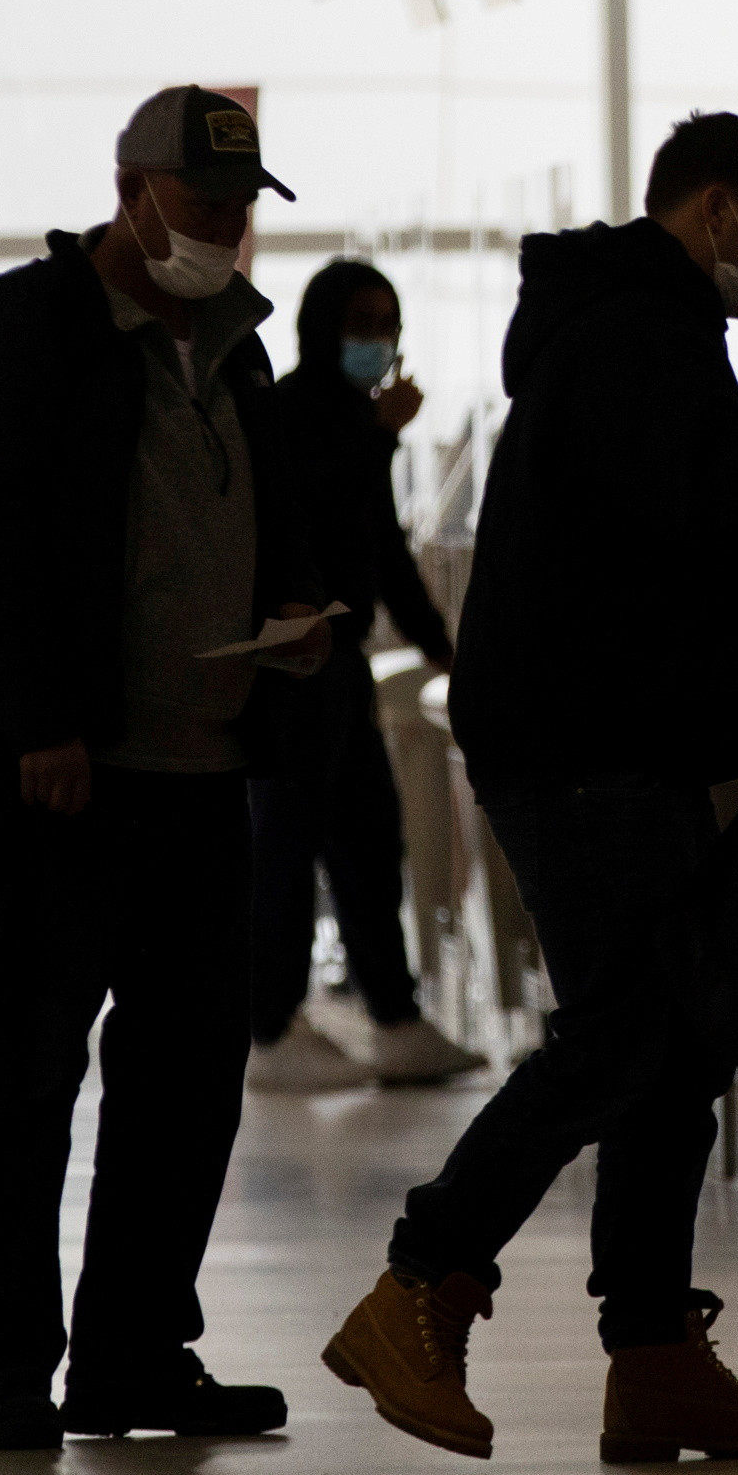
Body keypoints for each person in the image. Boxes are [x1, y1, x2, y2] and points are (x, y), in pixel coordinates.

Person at [321, 111, 738, 1465]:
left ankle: (658, 1349)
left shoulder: (636, 324)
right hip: (587, 754)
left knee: (680, 1040)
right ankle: (421, 1280)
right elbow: (718, 490)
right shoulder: (633, 333)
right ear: (714, 206)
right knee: (626, 1034)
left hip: (621, 747)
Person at [0, 85, 338, 1455]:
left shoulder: (235, 350)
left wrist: (292, 622)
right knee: (34, 1072)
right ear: (130, 188)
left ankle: (137, 1353)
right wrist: (37, 720)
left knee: (188, 1079)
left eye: (243, 206)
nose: (226, 228)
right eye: (204, 203)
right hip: (67, 779)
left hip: (206, 772)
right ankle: (9, 1368)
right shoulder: (18, 337)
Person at [244, 258, 475, 1093]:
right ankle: (268, 1025)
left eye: (390, 324)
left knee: (369, 843)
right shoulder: (296, 411)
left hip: (340, 666)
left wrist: (439, 641)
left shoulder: (349, 417)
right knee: (289, 848)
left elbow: (380, 549)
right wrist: (381, 436)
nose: (379, 341)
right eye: (364, 322)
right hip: (297, 661)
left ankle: (394, 1016)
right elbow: (314, 517)